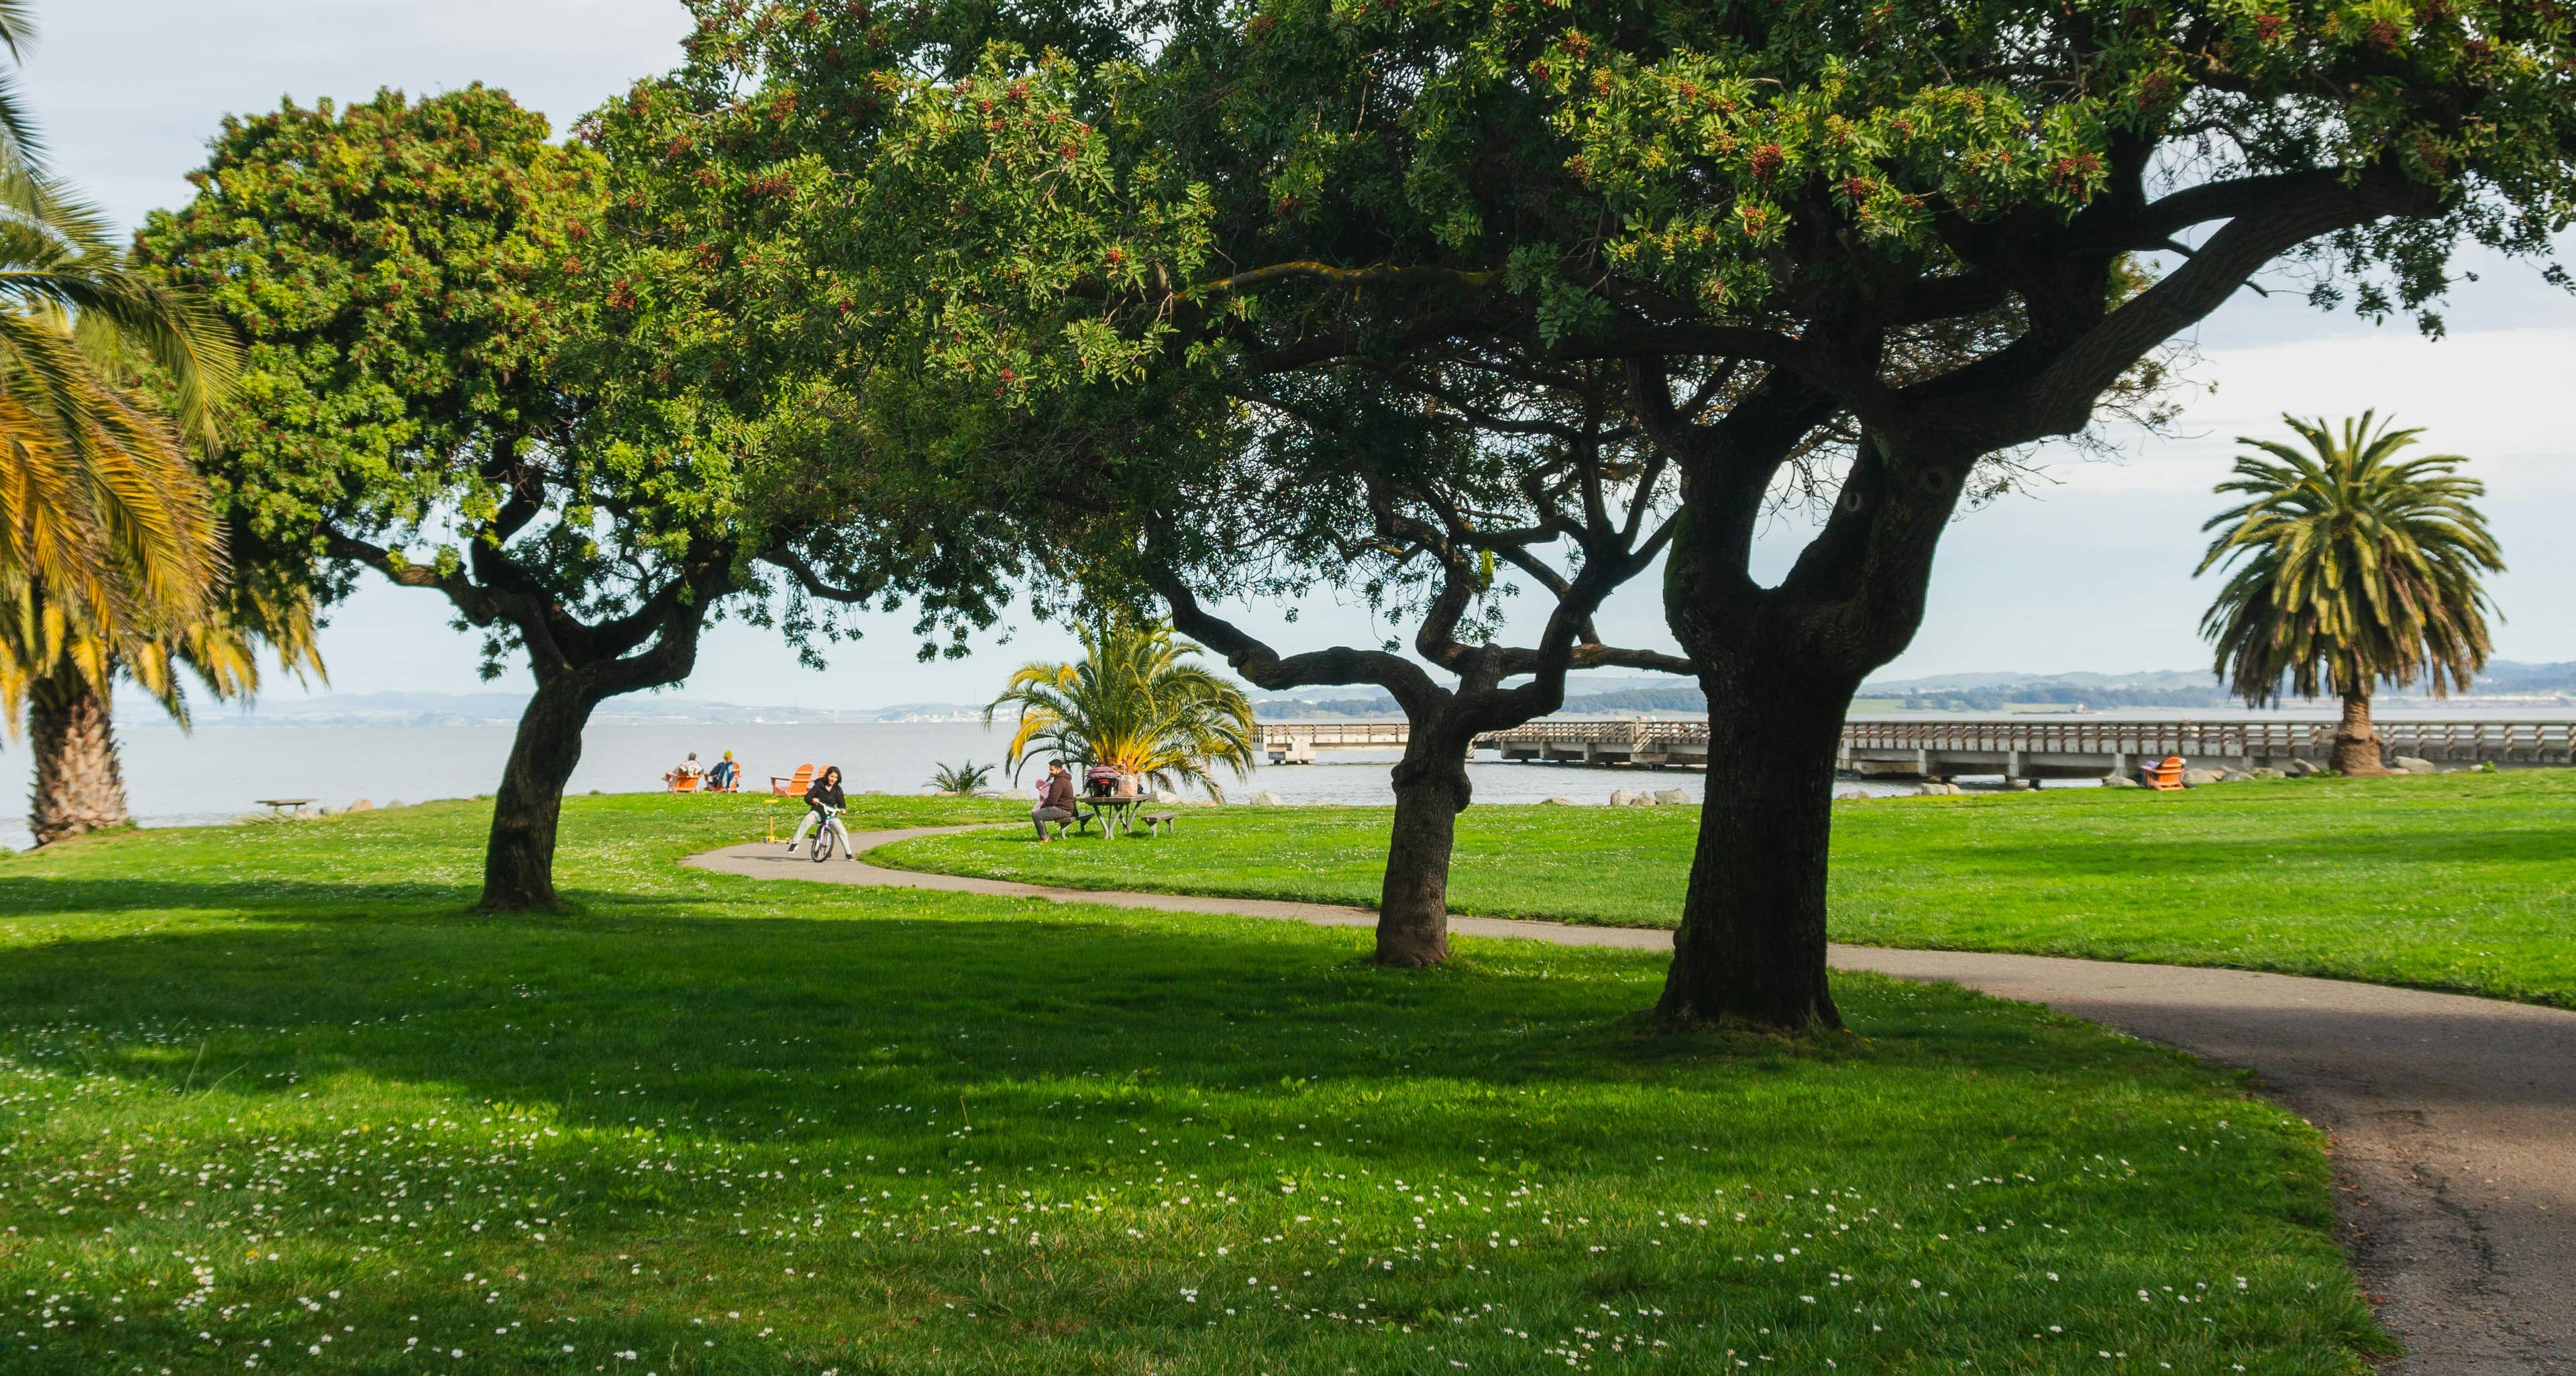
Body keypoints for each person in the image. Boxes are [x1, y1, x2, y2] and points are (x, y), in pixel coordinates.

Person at [786, 764, 853, 856]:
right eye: (831, 776)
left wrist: (843, 809)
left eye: (835, 777)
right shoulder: (819, 786)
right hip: (817, 812)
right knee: (808, 819)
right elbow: (807, 797)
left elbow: (842, 804)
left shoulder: (838, 789)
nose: (833, 779)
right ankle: (795, 843)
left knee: (841, 830)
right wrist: (813, 800)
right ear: (827, 776)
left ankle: (848, 854)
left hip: (830, 814)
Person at [1032, 759, 1077, 841]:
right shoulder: (1064, 779)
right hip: (1068, 809)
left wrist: (1043, 807)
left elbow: (1052, 800)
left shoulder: (1059, 781)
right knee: (1038, 814)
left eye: (1052, 770)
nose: (1050, 772)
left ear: (1059, 769)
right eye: (1050, 769)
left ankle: (1044, 838)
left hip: (1064, 810)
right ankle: (1045, 837)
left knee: (1037, 815)